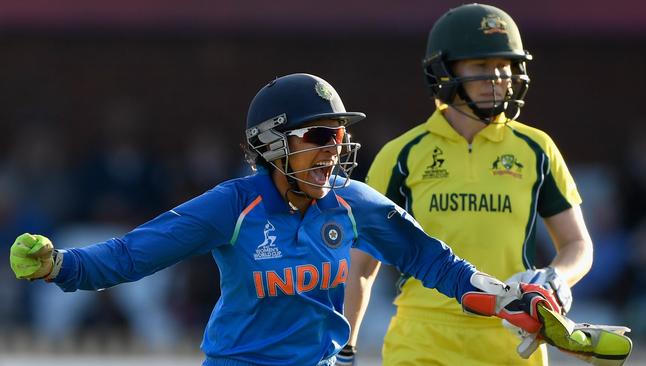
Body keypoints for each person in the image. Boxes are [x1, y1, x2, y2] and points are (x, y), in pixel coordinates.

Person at [9, 73, 557, 366]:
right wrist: (60, 265)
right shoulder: (232, 205)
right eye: (318, 136)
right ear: (272, 144)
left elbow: (433, 262)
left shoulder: (352, 202)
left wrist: (507, 297)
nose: (333, 150)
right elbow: (133, 254)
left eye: (338, 137)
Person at [342, 4, 593, 366]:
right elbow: (361, 265)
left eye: (504, 66)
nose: (498, 78)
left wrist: (556, 277)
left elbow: (576, 243)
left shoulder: (537, 148)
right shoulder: (402, 154)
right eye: (481, 66)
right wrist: (346, 348)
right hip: (422, 340)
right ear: (445, 71)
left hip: (513, 341)